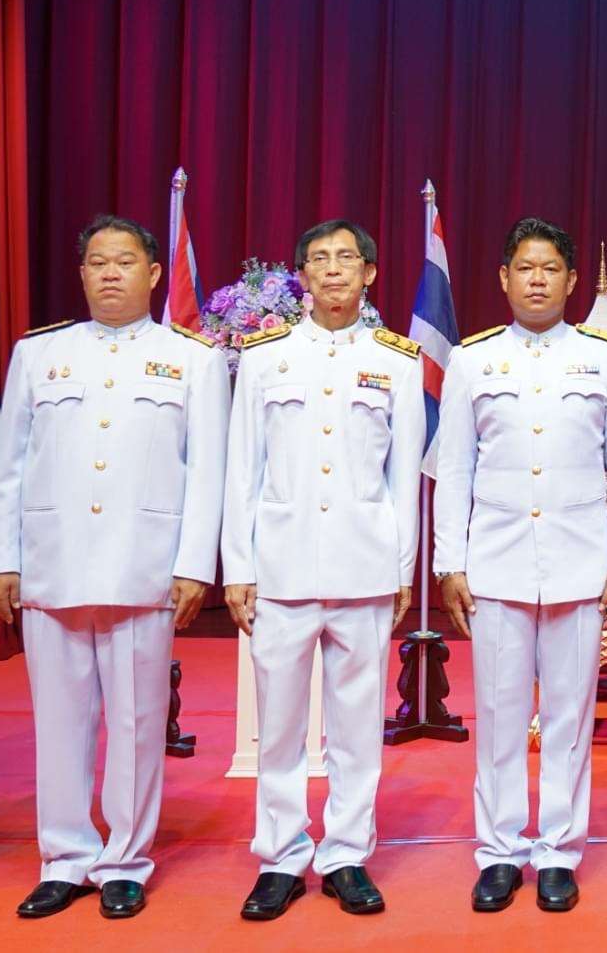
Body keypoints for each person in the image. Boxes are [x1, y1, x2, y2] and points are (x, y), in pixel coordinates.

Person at [0, 215, 229, 920]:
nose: (111, 273)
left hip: (142, 563)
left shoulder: (192, 358)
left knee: (137, 720)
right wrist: (0, 558)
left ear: (153, 274)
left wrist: (193, 565)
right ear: (82, 274)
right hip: (53, 561)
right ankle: (64, 857)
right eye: (98, 262)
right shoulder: (38, 354)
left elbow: (206, 470)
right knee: (59, 723)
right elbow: (9, 465)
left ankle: (124, 859)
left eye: (125, 261)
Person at [433, 218, 607, 914]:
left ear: (572, 280)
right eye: (524, 267)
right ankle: (499, 850)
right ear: (504, 278)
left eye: (550, 268)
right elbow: (454, 468)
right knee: (498, 716)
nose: (537, 280)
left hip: (580, 563)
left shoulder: (605, 357)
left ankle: (558, 850)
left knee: (568, 718)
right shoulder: (473, 360)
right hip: (495, 565)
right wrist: (450, 561)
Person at [222, 220, 425, 921]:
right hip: (281, 566)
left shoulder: (397, 361)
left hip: (365, 566)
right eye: (320, 259)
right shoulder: (266, 356)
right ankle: (280, 855)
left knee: (357, 725)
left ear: (370, 272)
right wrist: (238, 566)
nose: (334, 269)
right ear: (302, 275)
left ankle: (345, 854)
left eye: (347, 258)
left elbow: (404, 477)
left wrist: (402, 570)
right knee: (278, 724)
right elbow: (241, 469)